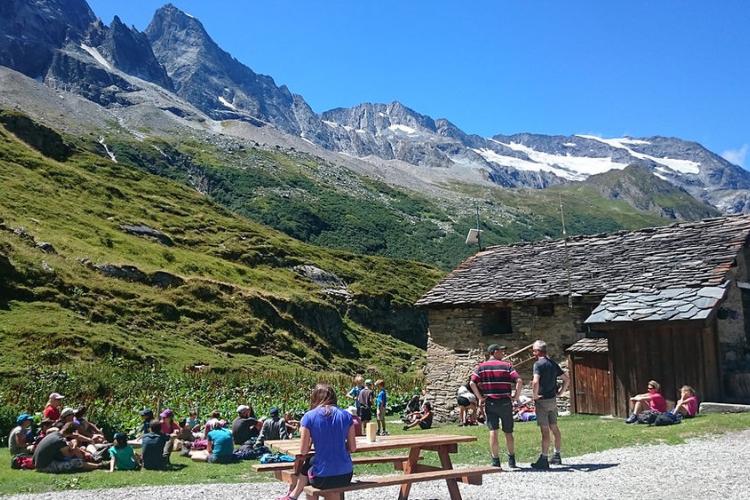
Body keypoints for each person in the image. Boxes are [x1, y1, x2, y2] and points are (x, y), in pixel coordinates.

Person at [280, 384, 356, 500]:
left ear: (315, 398)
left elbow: (303, 451)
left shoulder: (309, 417)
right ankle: (292, 495)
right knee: (327, 483)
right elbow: (353, 448)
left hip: (322, 477)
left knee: (309, 467)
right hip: (345, 476)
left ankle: (293, 495)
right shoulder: (347, 416)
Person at [470, 344, 522, 469]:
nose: (503, 353)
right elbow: (519, 380)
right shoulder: (507, 366)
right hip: (505, 402)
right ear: (495, 352)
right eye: (501, 351)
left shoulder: (481, 367)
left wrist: (480, 398)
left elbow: (472, 382)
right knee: (508, 432)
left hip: (490, 402)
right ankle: (511, 460)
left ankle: (495, 460)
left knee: (493, 431)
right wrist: (516, 396)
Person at [530, 340, 570, 470]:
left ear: (537, 351)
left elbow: (535, 382)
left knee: (545, 430)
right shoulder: (553, 363)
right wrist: (561, 392)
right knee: (555, 427)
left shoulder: (538, 364)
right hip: (552, 400)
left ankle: (544, 458)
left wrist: (535, 395)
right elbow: (566, 379)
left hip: (542, 401)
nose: (532, 353)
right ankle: (557, 455)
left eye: (533, 350)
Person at [32, 424, 101, 473]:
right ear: (71, 433)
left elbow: (75, 436)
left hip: (37, 463)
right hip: (45, 466)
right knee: (76, 462)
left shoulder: (54, 434)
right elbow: (68, 456)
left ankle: (94, 462)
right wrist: (74, 445)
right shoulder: (60, 441)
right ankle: (99, 466)